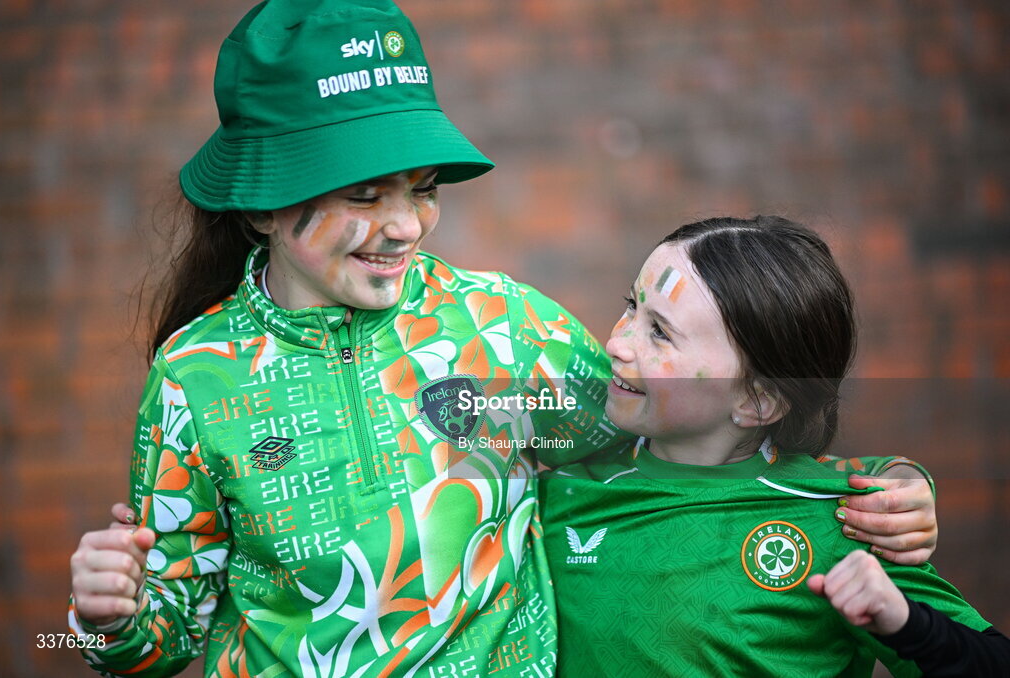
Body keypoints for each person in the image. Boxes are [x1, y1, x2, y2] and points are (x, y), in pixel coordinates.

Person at [68, 2, 940, 676]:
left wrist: (883, 494)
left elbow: (690, 445)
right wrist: (99, 621)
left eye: (423, 188)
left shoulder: (503, 332)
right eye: (366, 196)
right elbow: (161, 641)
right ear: (261, 204)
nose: (408, 224)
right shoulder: (194, 380)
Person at [541, 216, 1008, 677]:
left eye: (660, 332)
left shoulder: (846, 522)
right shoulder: (558, 494)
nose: (617, 342)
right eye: (631, 307)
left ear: (757, 400)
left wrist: (905, 622)